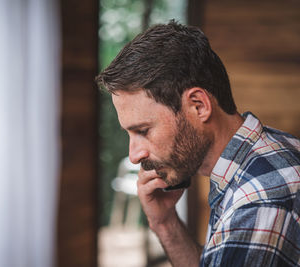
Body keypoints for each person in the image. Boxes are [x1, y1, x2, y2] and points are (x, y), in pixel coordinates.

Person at [96, 20, 300, 266]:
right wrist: (165, 223)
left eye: (143, 130)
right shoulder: (276, 148)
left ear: (198, 106)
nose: (134, 155)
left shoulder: (257, 204)